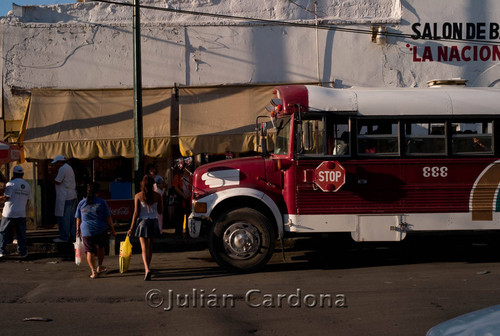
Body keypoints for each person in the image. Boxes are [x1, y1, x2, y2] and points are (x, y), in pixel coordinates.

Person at [75, 183, 117, 279]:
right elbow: (108, 217)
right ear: (98, 192)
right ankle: (100, 266)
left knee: (89, 251)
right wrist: (113, 229)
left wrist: (77, 230)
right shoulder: (102, 202)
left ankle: (93, 272)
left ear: (87, 191)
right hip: (100, 229)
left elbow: (78, 218)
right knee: (101, 247)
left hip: (86, 230)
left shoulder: (81, 203)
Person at [127, 175, 163, 281]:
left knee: (143, 248)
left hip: (143, 222)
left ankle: (146, 269)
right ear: (153, 184)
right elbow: (160, 211)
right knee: (150, 247)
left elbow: (136, 213)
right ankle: (149, 266)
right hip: (153, 222)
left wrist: (131, 228)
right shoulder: (157, 196)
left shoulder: (138, 196)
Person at [0, 166, 32, 259]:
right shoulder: (27, 185)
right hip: (21, 212)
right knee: (21, 233)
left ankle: (2, 251)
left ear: (13, 174)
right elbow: (28, 200)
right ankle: (23, 252)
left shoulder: (11, 184)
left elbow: (7, 197)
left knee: (3, 232)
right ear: (22, 174)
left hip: (9, 212)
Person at [51, 155, 78, 243]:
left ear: (59, 162)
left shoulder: (63, 169)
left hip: (65, 197)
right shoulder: (68, 167)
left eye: (56, 163)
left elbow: (57, 181)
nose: (55, 165)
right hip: (71, 195)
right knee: (71, 218)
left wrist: (52, 174)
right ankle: (74, 235)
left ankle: (64, 236)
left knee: (64, 218)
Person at [147, 163, 166, 232]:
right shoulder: (147, 177)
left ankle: (159, 229)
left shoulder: (158, 177)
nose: (152, 171)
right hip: (150, 197)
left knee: (159, 213)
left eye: (153, 169)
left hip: (159, 196)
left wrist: (156, 185)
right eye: (151, 169)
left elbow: (163, 185)